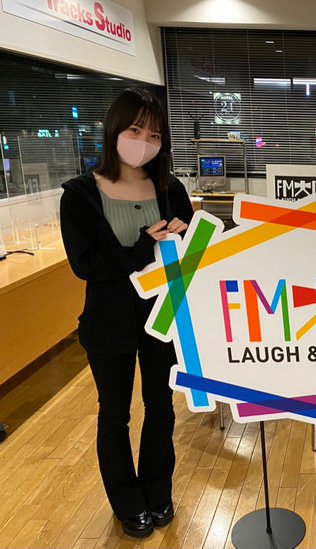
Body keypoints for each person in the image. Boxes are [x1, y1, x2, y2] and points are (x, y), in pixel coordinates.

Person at [60, 88, 194, 538]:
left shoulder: (171, 189)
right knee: (114, 414)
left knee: (161, 408)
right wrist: (143, 246)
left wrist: (185, 239)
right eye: (135, 130)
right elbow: (87, 266)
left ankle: (158, 492)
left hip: (164, 317)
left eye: (154, 135)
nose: (143, 142)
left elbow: (192, 256)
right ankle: (127, 502)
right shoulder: (79, 194)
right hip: (108, 323)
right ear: (114, 130)